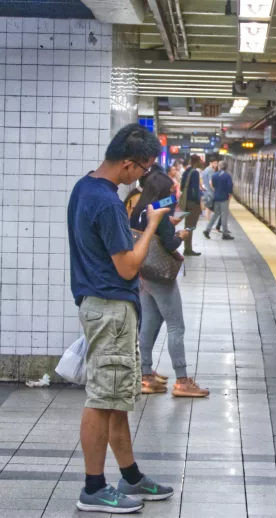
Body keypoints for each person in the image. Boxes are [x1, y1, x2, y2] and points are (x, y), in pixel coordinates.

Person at [67, 124, 175, 513]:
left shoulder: (85, 188)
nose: (142, 177)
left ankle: (130, 476)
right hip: (111, 308)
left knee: (114, 398)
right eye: (143, 170)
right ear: (128, 164)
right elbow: (128, 267)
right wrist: (151, 228)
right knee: (102, 400)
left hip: (100, 304)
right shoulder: (108, 203)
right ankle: (93, 489)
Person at [130, 164, 210, 397]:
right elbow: (170, 244)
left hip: (143, 272)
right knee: (176, 327)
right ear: (162, 192)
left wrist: (168, 227)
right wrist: (180, 235)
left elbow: (148, 231)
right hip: (160, 276)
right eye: (170, 191)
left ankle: (145, 376)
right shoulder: (160, 212)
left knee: (149, 323)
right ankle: (183, 381)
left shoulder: (140, 209)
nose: (172, 195)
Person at [179, 155, 203, 256]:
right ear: (197, 161)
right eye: (200, 161)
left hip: (186, 202)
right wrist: (198, 201)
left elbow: (181, 187)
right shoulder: (195, 172)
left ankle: (187, 247)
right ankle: (188, 249)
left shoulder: (186, 171)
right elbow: (195, 190)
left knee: (188, 225)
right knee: (190, 226)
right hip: (193, 203)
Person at [204, 161, 234, 240]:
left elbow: (213, 185)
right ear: (226, 167)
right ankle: (225, 234)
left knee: (215, 214)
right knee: (224, 215)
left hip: (216, 197)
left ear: (219, 167)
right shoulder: (227, 176)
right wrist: (229, 193)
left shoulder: (214, 175)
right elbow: (230, 186)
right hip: (224, 198)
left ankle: (207, 230)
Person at [201, 157, 218, 222]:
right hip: (210, 192)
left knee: (208, 208)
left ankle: (208, 223)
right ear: (210, 163)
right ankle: (209, 223)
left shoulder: (205, 169)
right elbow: (211, 182)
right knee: (209, 208)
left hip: (206, 191)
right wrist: (215, 190)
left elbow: (203, 181)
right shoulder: (211, 170)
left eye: (217, 163)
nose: (216, 165)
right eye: (215, 163)